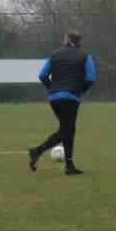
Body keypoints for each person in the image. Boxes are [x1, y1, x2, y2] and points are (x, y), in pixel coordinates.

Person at [28, 30, 96, 176]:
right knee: (68, 129)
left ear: (67, 40)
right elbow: (91, 78)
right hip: (71, 97)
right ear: (79, 42)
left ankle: (68, 164)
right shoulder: (85, 56)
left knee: (67, 129)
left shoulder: (55, 55)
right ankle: (38, 151)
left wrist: (52, 88)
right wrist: (80, 90)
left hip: (54, 98)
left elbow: (43, 75)